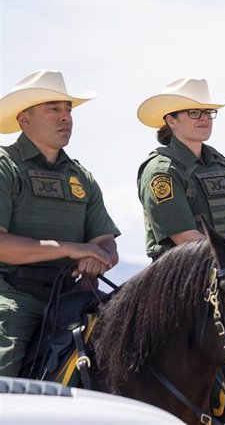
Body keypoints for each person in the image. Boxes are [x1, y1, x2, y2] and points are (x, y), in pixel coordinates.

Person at [0, 69, 120, 376]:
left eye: (68, 110)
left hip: (72, 298)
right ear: (24, 119)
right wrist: (72, 249)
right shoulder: (6, 167)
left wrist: (98, 258)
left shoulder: (81, 177)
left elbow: (105, 240)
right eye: (53, 109)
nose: (65, 117)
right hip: (13, 298)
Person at [137, 77, 225, 260]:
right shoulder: (162, 171)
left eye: (208, 112)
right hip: (184, 275)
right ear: (171, 120)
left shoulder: (222, 164)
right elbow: (185, 238)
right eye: (194, 112)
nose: (204, 118)